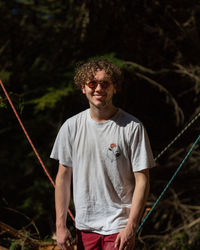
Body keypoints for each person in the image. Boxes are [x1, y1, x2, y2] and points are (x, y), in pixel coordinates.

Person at [50, 59, 155, 250]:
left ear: (114, 88)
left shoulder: (132, 127)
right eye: (92, 83)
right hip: (84, 226)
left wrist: (131, 226)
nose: (98, 88)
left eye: (105, 83)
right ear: (83, 88)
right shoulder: (71, 127)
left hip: (119, 227)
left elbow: (143, 180)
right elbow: (63, 177)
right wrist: (60, 225)